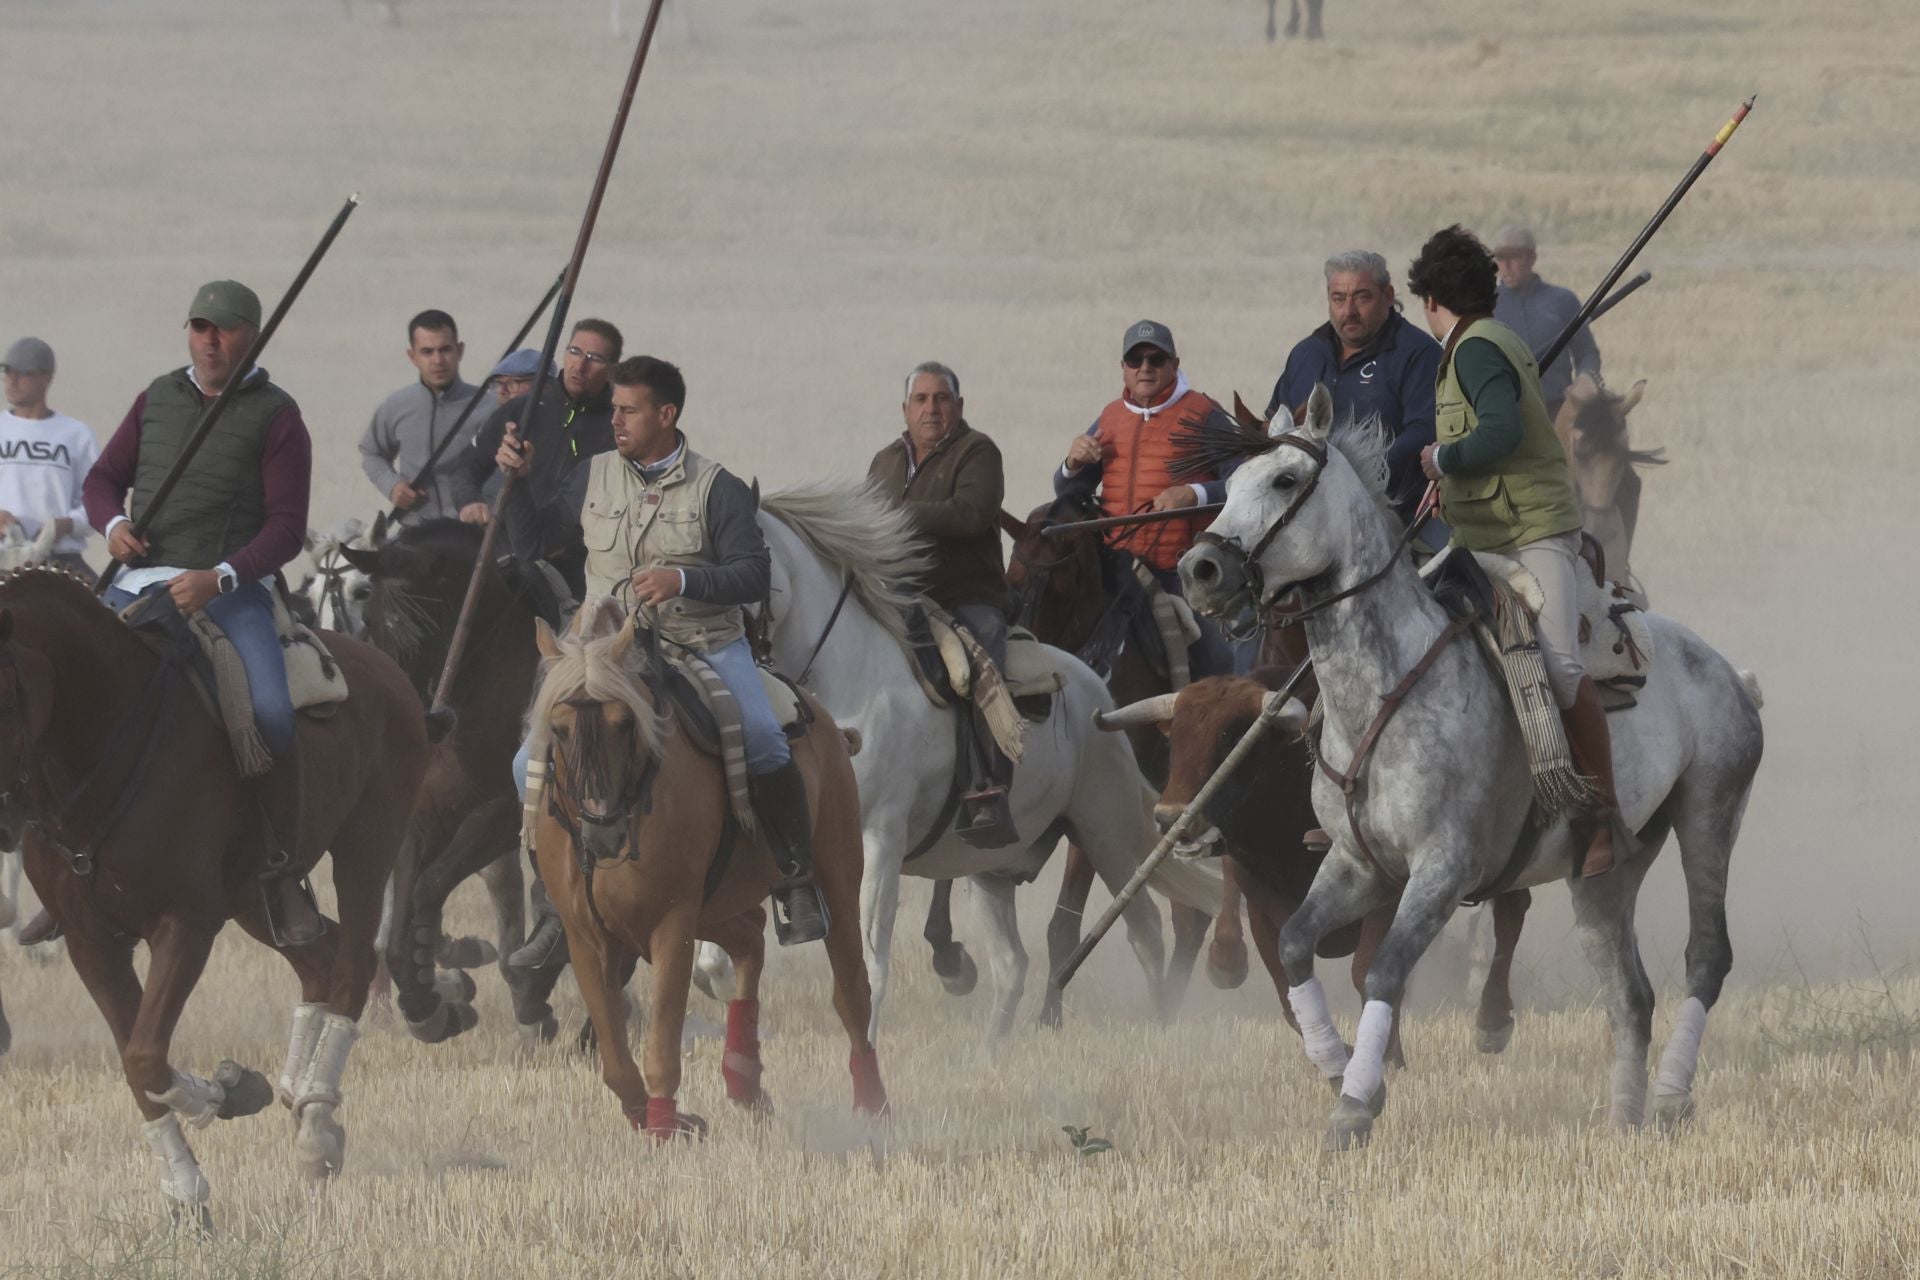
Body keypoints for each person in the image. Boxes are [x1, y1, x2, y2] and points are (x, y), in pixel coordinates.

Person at [506, 355, 828, 963]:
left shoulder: (718, 487)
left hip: (700, 643)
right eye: (615, 410)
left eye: (628, 411)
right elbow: (533, 542)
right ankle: (554, 905)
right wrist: (519, 484)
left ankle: (794, 879)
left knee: (763, 736)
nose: (616, 421)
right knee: (527, 760)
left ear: (666, 414)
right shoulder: (591, 474)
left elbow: (754, 574)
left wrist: (683, 579)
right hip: (606, 652)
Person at [83, 280, 323, 939]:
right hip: (134, 583)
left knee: (271, 714)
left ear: (252, 334)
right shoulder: (154, 398)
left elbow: (286, 529)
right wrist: (112, 526)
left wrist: (219, 577)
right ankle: (64, 859)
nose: (210, 340)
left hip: (230, 590)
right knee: (69, 687)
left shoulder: (278, 416)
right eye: (199, 327)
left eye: (223, 328)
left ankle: (278, 866)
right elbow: (101, 480)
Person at [1409, 226, 1619, 877]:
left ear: (1432, 298)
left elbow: (1498, 431)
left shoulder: (1472, 350)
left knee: (1558, 667)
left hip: (1530, 533)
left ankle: (1604, 813)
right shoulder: (1482, 343)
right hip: (1479, 537)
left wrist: (1442, 458)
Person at [867, 361, 1016, 847]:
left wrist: (894, 512)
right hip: (898, 596)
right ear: (905, 409)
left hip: (966, 596)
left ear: (959, 406)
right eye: (921, 400)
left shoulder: (978, 452)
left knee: (978, 665)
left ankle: (987, 790)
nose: (931, 408)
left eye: (941, 399)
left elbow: (971, 515)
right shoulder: (884, 460)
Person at [1055, 319, 1231, 677]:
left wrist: (1193, 495)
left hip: (1178, 573)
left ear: (1174, 365)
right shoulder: (1109, 417)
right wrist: (1071, 464)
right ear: (1123, 368)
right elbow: (1068, 492)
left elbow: (1246, 481)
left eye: (1156, 359)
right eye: (1135, 360)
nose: (1145, 368)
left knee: (1215, 660)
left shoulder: (1203, 414)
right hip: (1113, 569)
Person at [1264, 251, 1442, 522]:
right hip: (1304, 522)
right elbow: (1275, 426)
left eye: (1362, 297)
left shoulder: (1418, 353)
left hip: (1397, 521)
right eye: (1338, 298)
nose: (1349, 311)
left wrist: (1356, 476)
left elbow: (1423, 431)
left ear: (1388, 295)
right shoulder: (1305, 354)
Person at [450, 320, 619, 571]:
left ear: (611, 369)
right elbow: (467, 466)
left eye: (594, 358)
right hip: (506, 551)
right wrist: (468, 500)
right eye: (574, 351)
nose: (580, 365)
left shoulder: (617, 425)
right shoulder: (523, 409)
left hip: (577, 564)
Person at [358, 310, 490, 524]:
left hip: (472, 534)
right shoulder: (396, 406)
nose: (438, 360)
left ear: (460, 350)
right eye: (427, 352)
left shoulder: (488, 405)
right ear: (413, 356)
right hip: (415, 533)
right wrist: (392, 485)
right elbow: (371, 453)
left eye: (445, 349)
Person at [0, 337, 99, 575]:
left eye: (23, 372)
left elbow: (96, 499)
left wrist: (66, 525)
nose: (12, 380)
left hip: (62, 561)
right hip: (4, 556)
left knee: (106, 608)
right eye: (7, 371)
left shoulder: (76, 434)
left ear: (47, 377)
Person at [1490, 225, 1601, 420]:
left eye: (1514, 257)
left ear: (1531, 258)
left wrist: (1586, 378)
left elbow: (1587, 352)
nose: (1505, 266)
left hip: (1559, 412)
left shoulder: (1563, 300)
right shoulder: (1485, 306)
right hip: (1506, 415)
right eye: (1500, 258)